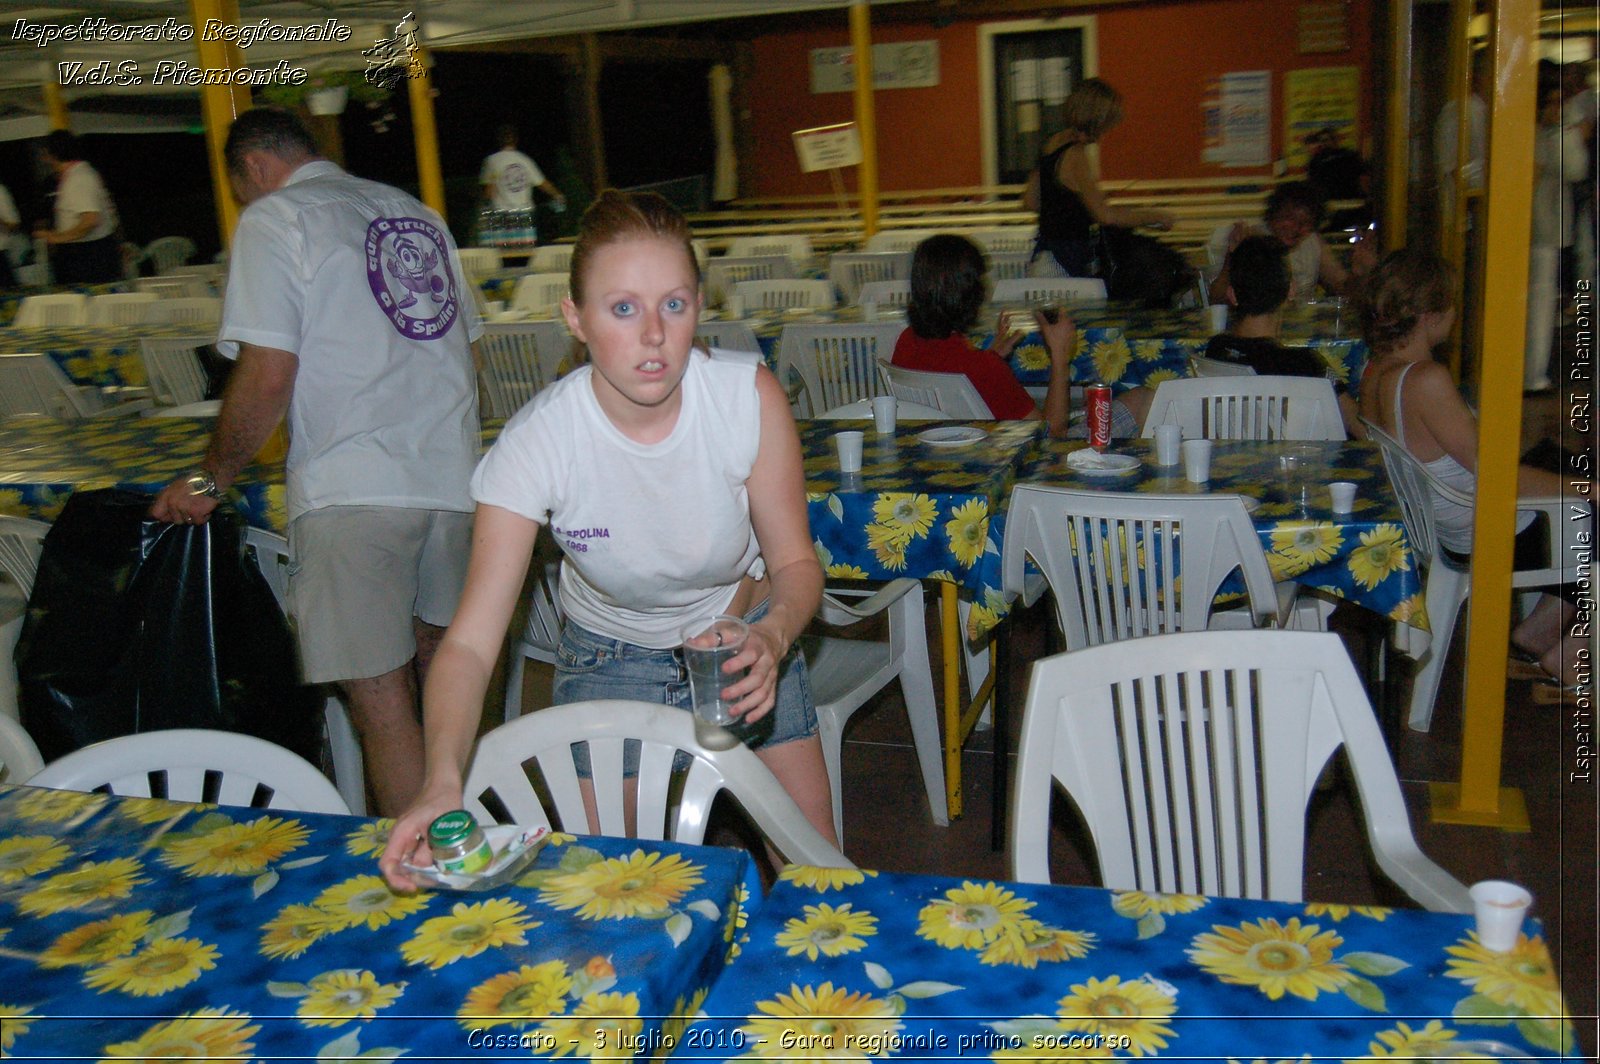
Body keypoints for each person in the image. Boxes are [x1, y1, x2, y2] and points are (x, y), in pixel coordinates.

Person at [379, 190, 832, 888]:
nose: (653, 334)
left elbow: (797, 563)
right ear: (576, 320)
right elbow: (469, 642)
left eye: (673, 305)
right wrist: (443, 779)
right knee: (616, 892)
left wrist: (772, 637)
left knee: (819, 877)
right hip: (608, 654)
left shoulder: (746, 398)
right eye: (623, 308)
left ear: (698, 309)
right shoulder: (538, 444)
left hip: (743, 634)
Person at [151, 107, 482, 817]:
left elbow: (270, 373)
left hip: (353, 487)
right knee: (448, 694)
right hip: (453, 481)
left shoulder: (275, 220)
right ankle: (466, 858)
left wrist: (212, 478)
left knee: (386, 710)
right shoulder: (415, 213)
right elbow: (466, 349)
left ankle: (417, 886)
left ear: (254, 169)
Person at [1357, 249, 1588, 688]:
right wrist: (1586, 489)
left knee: (1554, 456)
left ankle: (1539, 628)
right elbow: (1499, 476)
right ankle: (1571, 651)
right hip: (1485, 530)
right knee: (1587, 499)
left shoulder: (1376, 371)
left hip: (1445, 522)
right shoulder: (1426, 379)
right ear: (1429, 313)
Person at [889, 234, 1151, 438]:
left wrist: (993, 356)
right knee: (1142, 398)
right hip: (1024, 463)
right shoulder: (982, 368)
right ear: (970, 295)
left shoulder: (906, 341)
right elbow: (1050, 436)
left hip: (957, 451)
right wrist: (1060, 356)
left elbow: (957, 375)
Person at [1205, 234, 1360, 436]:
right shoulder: (1307, 364)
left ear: (1232, 294)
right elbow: (1357, 425)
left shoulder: (1216, 349)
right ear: (1291, 290)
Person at [1024, 78, 1174, 277]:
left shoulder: (1050, 143)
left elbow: (1030, 201)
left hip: (1043, 258)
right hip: (1066, 263)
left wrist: (1069, 207)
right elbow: (1105, 216)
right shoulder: (1077, 156)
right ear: (1099, 121)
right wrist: (1155, 216)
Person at [1207, 181, 1373, 304]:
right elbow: (1216, 299)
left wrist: (1361, 272)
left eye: (1306, 222)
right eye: (1288, 218)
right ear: (1272, 215)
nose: (1296, 228)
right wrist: (1234, 256)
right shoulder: (1248, 238)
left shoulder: (1312, 242)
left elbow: (1342, 287)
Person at [1527, 68, 1588, 392]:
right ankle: (1531, 373)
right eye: (1550, 101)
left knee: (1540, 300)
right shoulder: (1533, 132)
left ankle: (1534, 372)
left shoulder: (1555, 134)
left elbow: (1576, 169)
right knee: (1536, 300)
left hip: (1545, 229)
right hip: (1536, 225)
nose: (1555, 108)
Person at [33, 130, 121, 284]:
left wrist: (57, 237)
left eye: (45, 152)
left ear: (52, 154)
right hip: (91, 251)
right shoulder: (80, 174)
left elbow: (91, 219)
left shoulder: (78, 178)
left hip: (89, 255)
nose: (43, 158)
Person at [480, 124, 565, 214]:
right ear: (516, 140)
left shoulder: (491, 161)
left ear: (498, 140)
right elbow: (542, 183)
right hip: (525, 215)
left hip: (502, 216)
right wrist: (558, 195)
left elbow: (489, 192)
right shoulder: (525, 160)